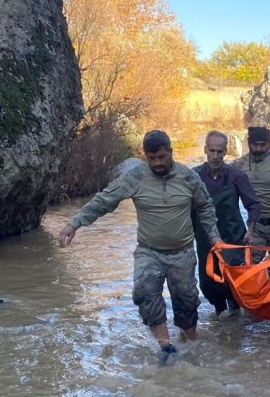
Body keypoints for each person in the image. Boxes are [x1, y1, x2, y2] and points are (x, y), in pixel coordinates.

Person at [58, 130, 221, 362]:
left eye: (161, 157)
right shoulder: (135, 177)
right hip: (148, 252)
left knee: (186, 301)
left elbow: (205, 207)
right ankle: (165, 347)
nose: (157, 163)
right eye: (151, 158)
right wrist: (74, 224)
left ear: (170, 152)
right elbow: (104, 200)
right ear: (145, 156)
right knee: (144, 293)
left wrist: (214, 237)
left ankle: (189, 346)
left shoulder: (188, 177)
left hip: (182, 253)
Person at [192, 131, 261, 316]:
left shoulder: (236, 176)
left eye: (219, 151)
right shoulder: (194, 176)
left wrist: (251, 230)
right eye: (212, 150)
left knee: (234, 284)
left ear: (225, 151)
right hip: (205, 239)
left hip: (234, 238)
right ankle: (219, 318)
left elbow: (253, 205)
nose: (215, 156)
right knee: (208, 284)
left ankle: (235, 320)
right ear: (205, 150)